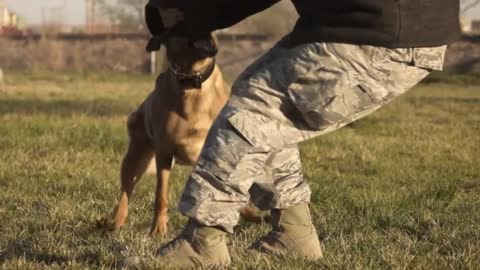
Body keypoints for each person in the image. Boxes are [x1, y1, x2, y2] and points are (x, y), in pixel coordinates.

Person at [144, 0, 461, 267]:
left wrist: (188, 10)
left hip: (379, 31)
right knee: (262, 97)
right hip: (372, 23)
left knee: (257, 108)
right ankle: (293, 234)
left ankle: (202, 243)